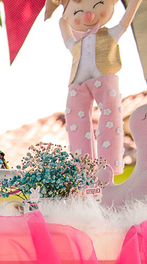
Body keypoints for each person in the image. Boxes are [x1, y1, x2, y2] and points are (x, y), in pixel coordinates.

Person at [46, 0, 143, 175]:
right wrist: (62, 21)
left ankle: (109, 167)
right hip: (77, 83)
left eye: (97, 5)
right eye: (77, 12)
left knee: (111, 116)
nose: (87, 14)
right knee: (75, 120)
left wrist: (134, 4)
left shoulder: (109, 35)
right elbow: (66, 38)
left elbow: (124, 22)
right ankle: (83, 170)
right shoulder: (76, 45)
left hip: (104, 78)